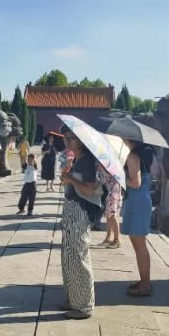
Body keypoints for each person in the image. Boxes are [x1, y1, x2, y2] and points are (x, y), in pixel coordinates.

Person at [59, 125, 103, 320]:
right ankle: (74, 298)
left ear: (81, 141)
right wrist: (68, 177)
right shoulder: (78, 160)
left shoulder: (87, 161)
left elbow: (89, 189)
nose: (67, 141)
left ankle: (84, 305)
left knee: (79, 256)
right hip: (72, 210)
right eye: (65, 138)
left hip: (80, 212)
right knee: (69, 256)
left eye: (71, 138)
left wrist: (70, 179)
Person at [121, 141, 156, 296]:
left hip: (137, 201)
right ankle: (144, 281)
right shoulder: (144, 153)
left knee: (140, 245)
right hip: (140, 200)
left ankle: (145, 285)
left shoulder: (133, 156)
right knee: (139, 244)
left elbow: (135, 183)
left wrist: (119, 175)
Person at [93, 164, 122, 249]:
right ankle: (108, 238)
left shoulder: (107, 165)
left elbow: (104, 179)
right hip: (111, 190)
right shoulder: (103, 164)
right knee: (109, 215)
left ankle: (117, 239)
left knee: (113, 215)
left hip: (113, 191)